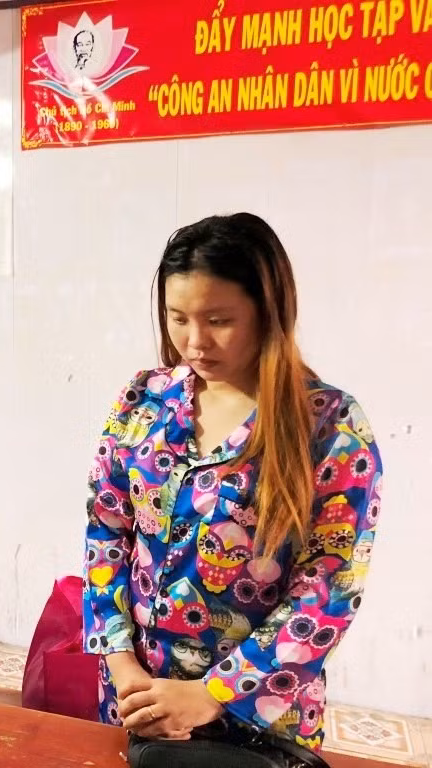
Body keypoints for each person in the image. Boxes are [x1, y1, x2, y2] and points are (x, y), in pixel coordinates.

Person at [83, 213, 381, 767]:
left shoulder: (330, 426)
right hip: (139, 700)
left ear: (268, 312)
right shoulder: (142, 401)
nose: (194, 342)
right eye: (177, 319)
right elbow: (106, 532)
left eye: (219, 320)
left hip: (258, 719)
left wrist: (212, 696)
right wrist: (122, 664)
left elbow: (329, 586)